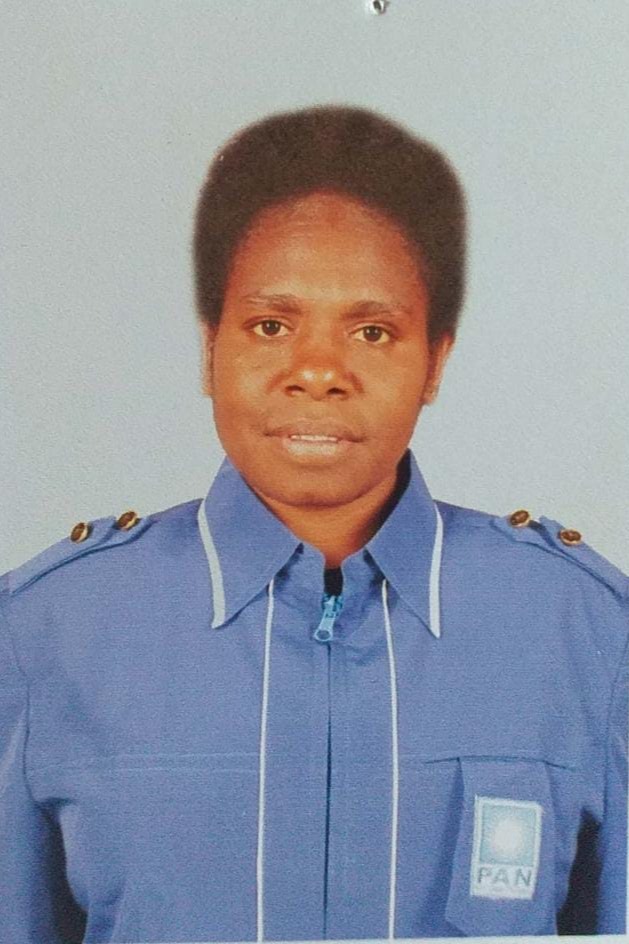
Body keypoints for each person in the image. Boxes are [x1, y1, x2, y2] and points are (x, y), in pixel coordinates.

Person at [1, 105, 627, 944]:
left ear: (435, 360)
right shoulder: (44, 632)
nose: (319, 371)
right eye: (270, 325)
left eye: (372, 331)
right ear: (209, 349)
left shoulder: (584, 630)